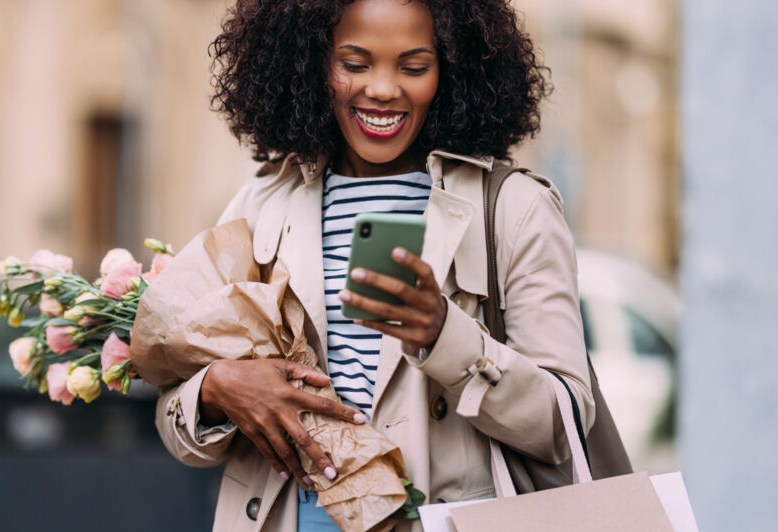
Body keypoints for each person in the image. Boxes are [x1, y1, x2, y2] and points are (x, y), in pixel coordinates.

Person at [154, 1, 594, 530]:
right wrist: (217, 389)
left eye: (413, 67)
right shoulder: (262, 203)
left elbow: (563, 424)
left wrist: (445, 336)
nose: (383, 89)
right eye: (355, 64)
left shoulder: (514, 209)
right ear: (313, 64)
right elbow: (176, 424)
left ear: (451, 70)